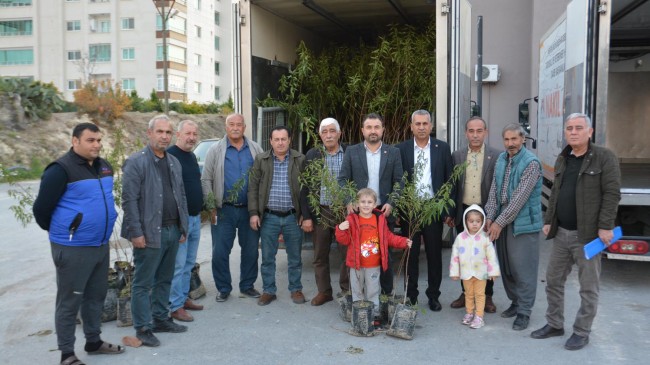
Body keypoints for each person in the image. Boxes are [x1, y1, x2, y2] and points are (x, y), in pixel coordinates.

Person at [33, 123, 124, 365]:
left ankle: (93, 342)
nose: (97, 144)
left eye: (99, 140)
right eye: (91, 140)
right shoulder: (60, 170)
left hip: (100, 245)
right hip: (73, 248)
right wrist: (67, 232)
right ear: (75, 141)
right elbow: (41, 210)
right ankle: (67, 354)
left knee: (95, 296)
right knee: (69, 300)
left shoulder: (104, 166)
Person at [531, 113, 621, 350]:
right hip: (562, 233)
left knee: (588, 286)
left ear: (589, 132)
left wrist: (605, 225)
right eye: (569, 128)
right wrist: (549, 220)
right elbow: (556, 193)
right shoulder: (564, 158)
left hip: (589, 235)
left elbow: (612, 194)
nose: (573, 132)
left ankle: (582, 331)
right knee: (553, 280)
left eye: (578, 128)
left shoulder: (604, 157)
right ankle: (555, 323)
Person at [121, 115, 189, 347]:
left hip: (172, 230)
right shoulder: (136, 162)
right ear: (149, 133)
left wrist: (183, 227)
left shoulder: (173, 162)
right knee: (142, 283)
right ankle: (142, 328)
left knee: (164, 279)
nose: (164, 136)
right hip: (149, 233)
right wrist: (136, 232)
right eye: (159, 132)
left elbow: (180, 196)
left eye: (168, 132)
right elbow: (129, 201)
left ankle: (160, 319)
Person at [485, 123, 543, 331]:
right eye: (507, 140)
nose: (510, 144)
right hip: (503, 221)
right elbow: (494, 191)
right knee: (507, 267)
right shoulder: (501, 159)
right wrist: (490, 217)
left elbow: (519, 199)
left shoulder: (531, 163)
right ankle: (516, 302)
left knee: (523, 269)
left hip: (523, 225)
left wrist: (499, 222)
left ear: (523, 140)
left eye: (514, 139)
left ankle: (525, 311)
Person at [338, 113, 403, 295]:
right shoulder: (352, 151)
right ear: (362, 130)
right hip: (359, 214)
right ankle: (360, 297)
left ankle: (385, 296)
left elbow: (399, 181)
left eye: (376, 127)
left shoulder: (393, 152)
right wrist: (349, 200)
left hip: (383, 212)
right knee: (358, 254)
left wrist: (391, 203)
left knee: (384, 256)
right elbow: (342, 179)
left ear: (383, 129)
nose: (373, 131)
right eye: (369, 127)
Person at [202, 113, 263, 302]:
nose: (235, 128)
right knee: (220, 251)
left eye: (239, 124)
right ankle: (223, 288)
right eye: (231, 124)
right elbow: (206, 179)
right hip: (223, 210)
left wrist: (259, 208)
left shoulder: (255, 149)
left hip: (249, 210)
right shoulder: (215, 150)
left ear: (244, 127)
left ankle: (247, 286)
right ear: (226, 127)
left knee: (251, 250)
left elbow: (263, 178)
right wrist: (211, 206)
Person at [396, 109, 453, 311]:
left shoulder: (442, 148)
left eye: (425, 124)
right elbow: (397, 181)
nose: (421, 127)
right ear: (411, 127)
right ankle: (410, 296)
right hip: (410, 209)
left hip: (433, 209)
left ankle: (433, 296)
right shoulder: (401, 149)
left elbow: (449, 180)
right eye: (417, 124)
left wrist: (447, 211)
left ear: (431, 126)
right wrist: (398, 211)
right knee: (410, 254)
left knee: (434, 254)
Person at [335, 188, 412, 327]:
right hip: (356, 265)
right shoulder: (352, 219)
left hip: (373, 265)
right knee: (357, 291)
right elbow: (344, 240)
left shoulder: (379, 219)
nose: (366, 205)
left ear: (375, 204)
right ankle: (359, 315)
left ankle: (374, 315)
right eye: (363, 202)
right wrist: (340, 229)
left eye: (369, 202)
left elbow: (388, 237)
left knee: (373, 291)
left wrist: (403, 242)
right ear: (357, 204)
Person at [248, 125, 306, 306]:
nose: (280, 143)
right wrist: (253, 213)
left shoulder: (300, 159)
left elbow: (307, 189)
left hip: (293, 217)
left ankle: (296, 289)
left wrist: (305, 213)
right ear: (271, 141)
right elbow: (253, 188)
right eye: (276, 139)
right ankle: (268, 290)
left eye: (283, 139)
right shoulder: (261, 159)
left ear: (289, 140)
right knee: (267, 258)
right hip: (269, 217)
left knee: (295, 257)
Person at [449, 116, 501, 313]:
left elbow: (497, 187)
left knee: (485, 257)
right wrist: (452, 213)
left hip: (485, 213)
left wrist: (493, 215)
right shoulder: (458, 155)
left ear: (485, 132)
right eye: (471, 131)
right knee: (465, 255)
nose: (475, 135)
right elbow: (452, 186)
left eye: (479, 131)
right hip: (464, 212)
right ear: (466, 133)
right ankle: (466, 293)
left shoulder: (496, 156)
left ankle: (487, 296)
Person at [300, 117, 350, 306]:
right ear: (320, 135)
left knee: (347, 254)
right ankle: (324, 291)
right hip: (321, 211)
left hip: (344, 211)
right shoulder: (313, 154)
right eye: (324, 132)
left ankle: (346, 291)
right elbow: (305, 187)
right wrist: (306, 216)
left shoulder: (350, 152)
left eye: (332, 131)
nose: (328, 135)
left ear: (339, 133)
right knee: (320, 254)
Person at [167, 120, 204, 322]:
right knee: (179, 266)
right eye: (188, 133)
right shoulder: (171, 156)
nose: (191, 137)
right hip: (181, 221)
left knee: (189, 264)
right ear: (178, 134)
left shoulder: (190, 156)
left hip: (196, 218)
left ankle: (183, 298)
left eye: (194, 134)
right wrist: (179, 224)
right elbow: (170, 193)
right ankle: (175, 306)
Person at [449, 205, 501, 329]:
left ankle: (479, 316)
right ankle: (469, 312)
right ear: (465, 222)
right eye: (471, 221)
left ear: (482, 222)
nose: (474, 224)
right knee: (468, 294)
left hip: (481, 274)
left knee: (480, 294)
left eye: (478, 221)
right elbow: (455, 256)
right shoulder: (460, 238)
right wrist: (455, 272)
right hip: (466, 273)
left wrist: (493, 272)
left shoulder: (485, 238)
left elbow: (491, 256)